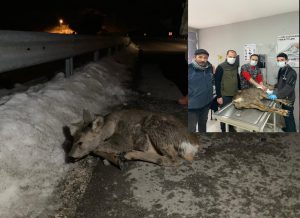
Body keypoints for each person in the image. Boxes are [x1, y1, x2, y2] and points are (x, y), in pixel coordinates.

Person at [267, 52, 297, 132]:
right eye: (278, 60)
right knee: (284, 115)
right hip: (282, 98)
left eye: (282, 60)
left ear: (286, 60)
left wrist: (276, 95)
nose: (280, 62)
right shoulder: (282, 69)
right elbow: (281, 82)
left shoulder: (292, 72)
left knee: (289, 117)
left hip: (288, 99)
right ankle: (287, 129)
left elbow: (289, 87)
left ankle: (292, 132)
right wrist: (274, 86)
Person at [215, 50, 241, 132]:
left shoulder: (236, 65)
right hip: (225, 94)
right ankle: (224, 129)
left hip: (235, 94)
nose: (232, 58)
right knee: (224, 113)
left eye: (234, 57)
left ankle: (231, 127)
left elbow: (237, 77)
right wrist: (219, 96)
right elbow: (217, 82)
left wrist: (239, 89)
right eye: (230, 56)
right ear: (226, 56)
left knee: (233, 112)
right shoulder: (221, 66)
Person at [188, 49, 213, 132]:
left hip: (205, 104)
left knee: (203, 126)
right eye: (200, 57)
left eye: (205, 58)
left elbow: (211, 82)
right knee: (191, 129)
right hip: (192, 107)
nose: (203, 60)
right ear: (194, 57)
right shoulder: (189, 69)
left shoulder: (209, 68)